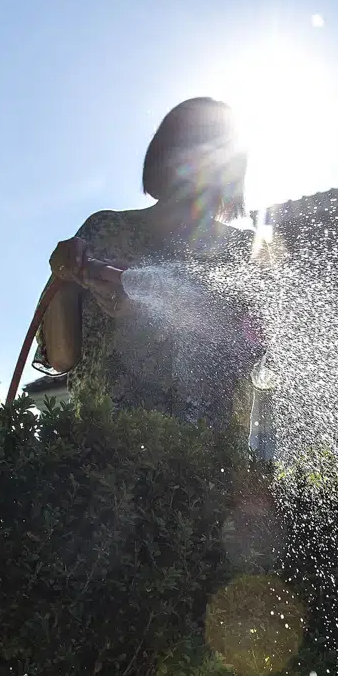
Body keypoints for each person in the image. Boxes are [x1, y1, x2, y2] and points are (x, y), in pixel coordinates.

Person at [32, 97, 265, 436]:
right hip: (103, 450)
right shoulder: (104, 231)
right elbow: (61, 357)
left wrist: (146, 315)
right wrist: (63, 276)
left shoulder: (243, 251)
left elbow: (253, 348)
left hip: (207, 454)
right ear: (163, 154)